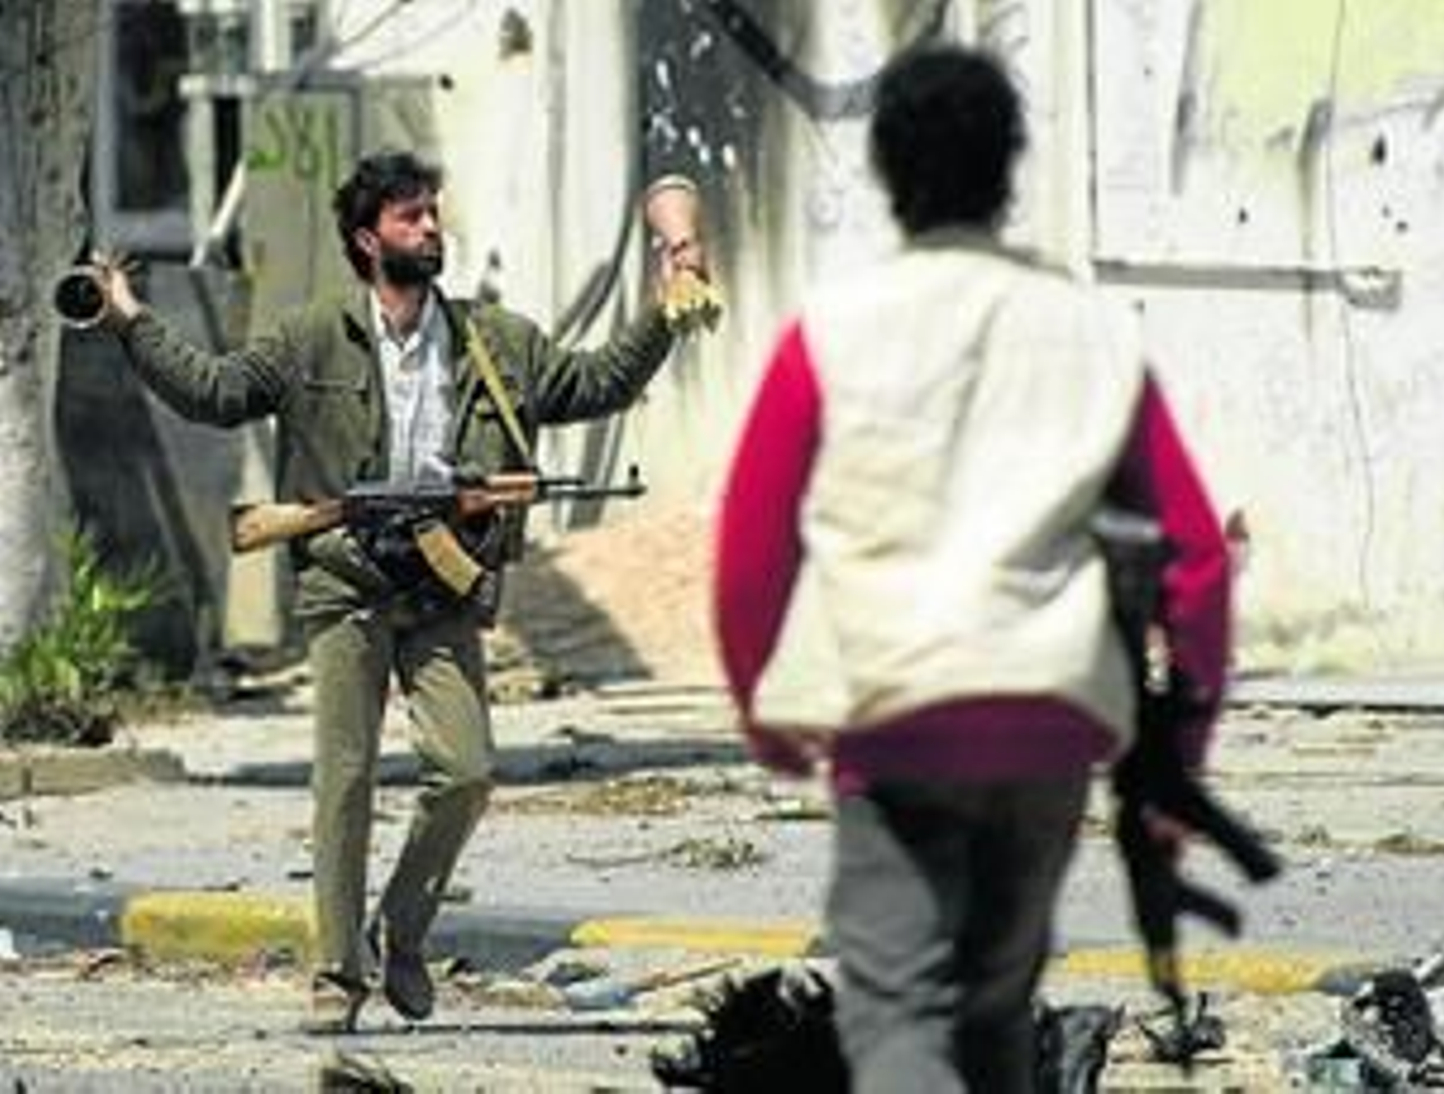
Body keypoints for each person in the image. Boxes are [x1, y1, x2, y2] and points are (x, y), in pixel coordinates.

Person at [713, 46, 1231, 1093]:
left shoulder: (832, 331)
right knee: (995, 1010)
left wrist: (763, 705)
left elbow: (750, 550)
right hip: (1050, 723)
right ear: (1009, 166)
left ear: (884, 170)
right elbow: (1199, 557)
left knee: (899, 1017)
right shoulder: (1093, 331)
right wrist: (1181, 746)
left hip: (894, 715)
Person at [94, 149, 707, 1032]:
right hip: (347, 581)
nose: (429, 228)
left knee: (467, 772)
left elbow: (598, 382)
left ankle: (402, 930)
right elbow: (215, 393)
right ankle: (337, 975)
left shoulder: (497, 341)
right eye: (409, 216)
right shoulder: (310, 336)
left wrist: (663, 306)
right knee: (344, 783)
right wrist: (129, 319)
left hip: (444, 586)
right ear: (365, 238)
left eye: (432, 213)